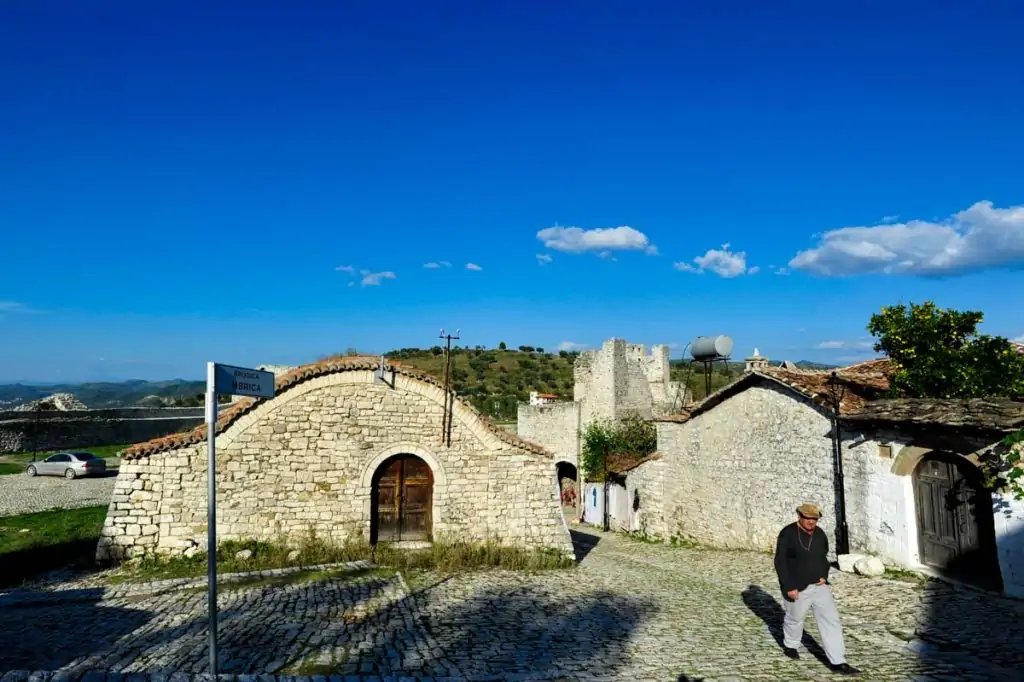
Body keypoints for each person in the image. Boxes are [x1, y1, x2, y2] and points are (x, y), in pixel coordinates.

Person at [773, 503, 861, 676]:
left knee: (831, 620)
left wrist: (824, 575)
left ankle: (838, 661)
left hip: (820, 586)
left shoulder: (819, 534)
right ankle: (791, 645)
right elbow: (780, 561)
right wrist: (788, 586)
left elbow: (823, 556)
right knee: (795, 618)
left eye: (814, 519)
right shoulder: (787, 533)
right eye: (807, 518)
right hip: (797, 586)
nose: (811, 522)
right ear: (799, 516)